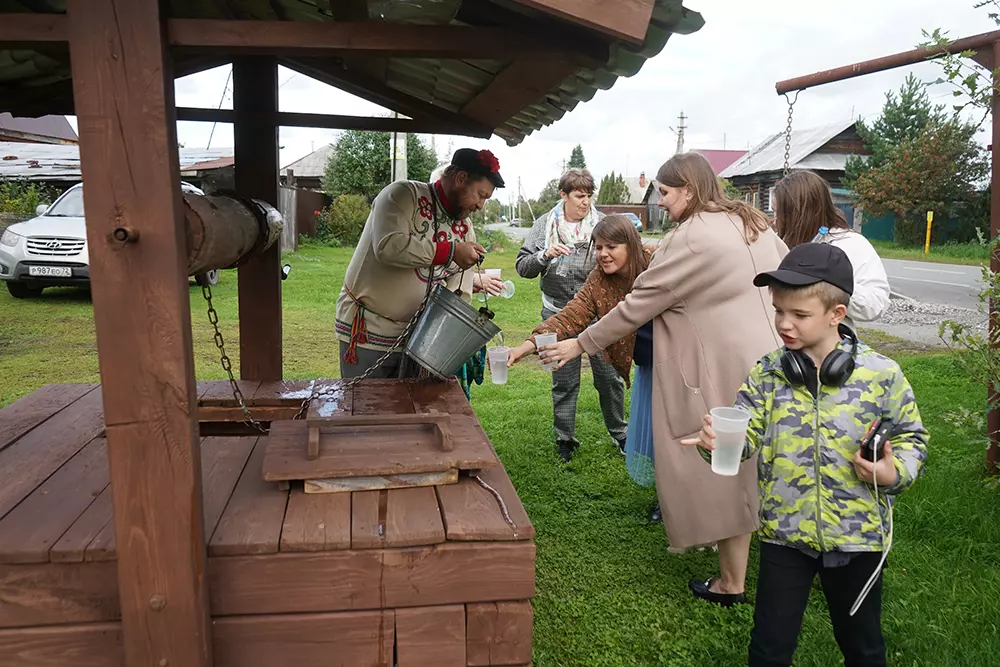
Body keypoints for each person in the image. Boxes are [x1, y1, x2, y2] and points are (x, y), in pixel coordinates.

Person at [538, 152, 787, 605]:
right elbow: (788, 275)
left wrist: (579, 344)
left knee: (721, 460)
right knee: (767, 458)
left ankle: (731, 581)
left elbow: (637, 305)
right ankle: (787, 556)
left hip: (720, 366)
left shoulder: (690, 239)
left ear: (689, 190)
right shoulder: (752, 221)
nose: (664, 203)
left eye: (667, 194)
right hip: (774, 361)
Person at [682, 242, 928, 666]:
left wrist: (893, 473)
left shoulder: (882, 375)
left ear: (837, 314)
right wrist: (718, 444)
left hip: (859, 537)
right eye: (778, 311)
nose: (784, 323)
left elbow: (911, 439)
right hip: (784, 535)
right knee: (769, 648)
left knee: (863, 647)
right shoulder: (770, 372)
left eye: (799, 315)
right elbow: (747, 433)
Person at [336, 148, 501, 379]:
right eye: (480, 195)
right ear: (461, 179)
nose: (481, 205)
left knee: (413, 413)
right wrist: (450, 251)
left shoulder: (465, 228)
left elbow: (458, 292)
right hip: (368, 333)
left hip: (422, 342)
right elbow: (388, 246)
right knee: (366, 410)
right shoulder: (402, 195)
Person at [508, 215, 655, 473]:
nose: (603, 254)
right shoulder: (599, 279)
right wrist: (526, 347)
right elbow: (571, 315)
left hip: (671, 354)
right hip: (647, 360)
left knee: (664, 424)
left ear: (630, 246)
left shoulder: (654, 266)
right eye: (598, 247)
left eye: (612, 247)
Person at [515, 168, 628, 461]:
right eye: (579, 195)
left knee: (609, 378)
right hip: (557, 313)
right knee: (563, 380)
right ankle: (565, 439)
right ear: (563, 195)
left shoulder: (602, 225)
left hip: (599, 316)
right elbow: (522, 268)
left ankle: (621, 434)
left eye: (589, 195)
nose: (586, 202)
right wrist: (545, 255)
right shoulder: (544, 225)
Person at [772, 170, 890, 329]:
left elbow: (875, 306)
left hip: (830, 349)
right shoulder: (778, 242)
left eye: (778, 212)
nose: (774, 220)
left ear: (798, 214)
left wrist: (835, 281)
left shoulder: (850, 244)